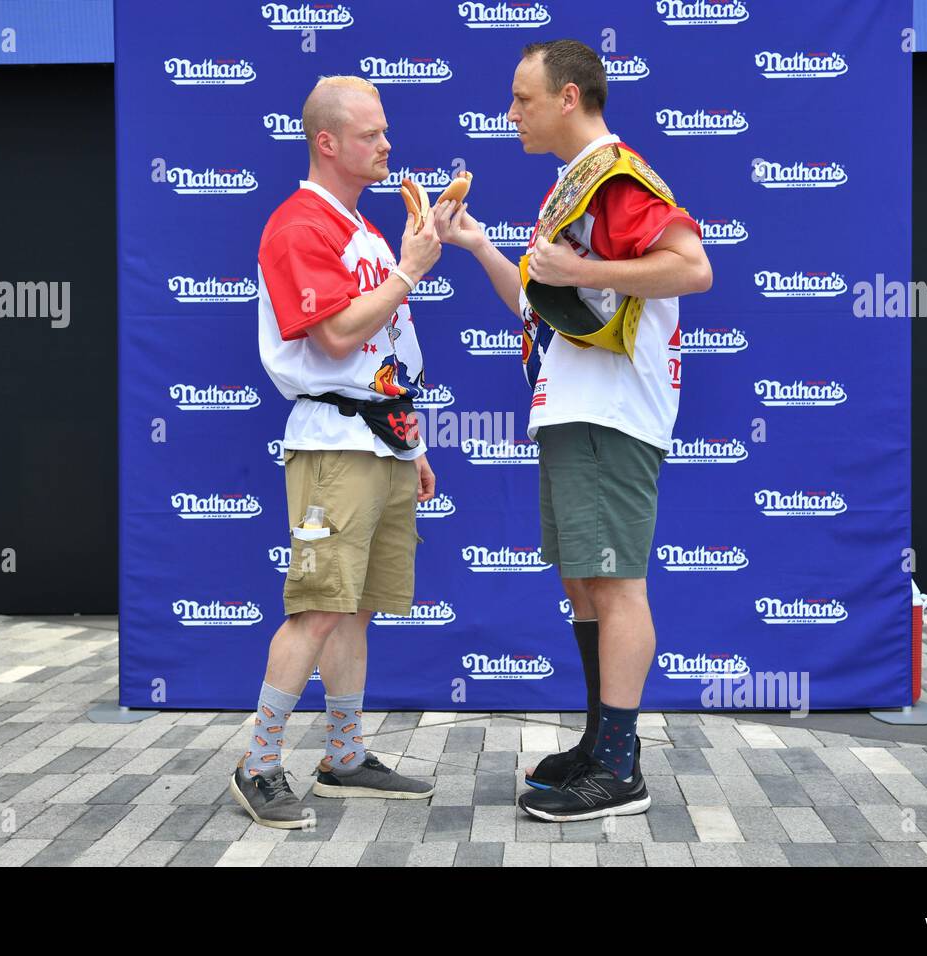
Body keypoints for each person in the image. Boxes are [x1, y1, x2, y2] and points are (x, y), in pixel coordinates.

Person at [433, 39, 712, 822]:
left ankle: (622, 770)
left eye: (522, 98)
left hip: (612, 413)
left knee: (616, 583)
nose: (510, 113)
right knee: (584, 581)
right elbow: (538, 307)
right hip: (571, 407)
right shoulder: (569, 188)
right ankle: (600, 742)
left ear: (567, 98)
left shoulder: (614, 175)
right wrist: (480, 244)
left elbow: (692, 268)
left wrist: (584, 271)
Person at [230, 75, 441, 829]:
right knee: (319, 607)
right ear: (328, 143)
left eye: (384, 132)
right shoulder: (299, 226)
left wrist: (408, 437)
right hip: (331, 444)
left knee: (355, 609)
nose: (387, 144)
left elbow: (384, 346)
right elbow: (336, 336)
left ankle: (343, 755)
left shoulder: (364, 229)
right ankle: (258, 764)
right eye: (370, 134)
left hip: (379, 440)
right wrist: (412, 269)